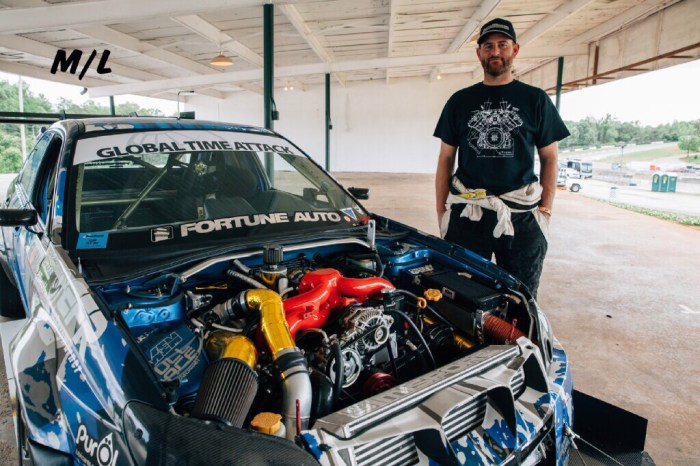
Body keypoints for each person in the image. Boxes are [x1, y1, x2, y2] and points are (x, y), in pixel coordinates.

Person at [433, 17, 570, 298]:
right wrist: (441, 211)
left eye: (502, 45)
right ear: (479, 53)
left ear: (515, 50)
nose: (495, 51)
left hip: (521, 216)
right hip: (468, 213)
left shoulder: (535, 100)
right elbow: (446, 158)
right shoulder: (460, 101)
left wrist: (545, 210)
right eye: (488, 46)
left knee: (521, 297)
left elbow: (550, 158)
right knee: (460, 296)